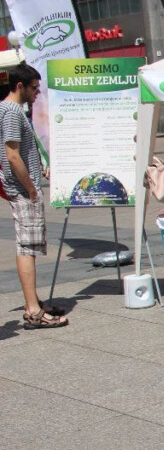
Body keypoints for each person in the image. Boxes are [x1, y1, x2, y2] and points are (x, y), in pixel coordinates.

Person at [2, 63, 67, 329]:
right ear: (20, 86)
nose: (37, 93)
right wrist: (29, 187)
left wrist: (38, 169)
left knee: (29, 245)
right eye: (34, 88)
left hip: (22, 186)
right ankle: (32, 310)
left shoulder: (13, 111)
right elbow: (12, 154)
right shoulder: (10, 112)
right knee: (27, 248)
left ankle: (34, 302)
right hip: (21, 190)